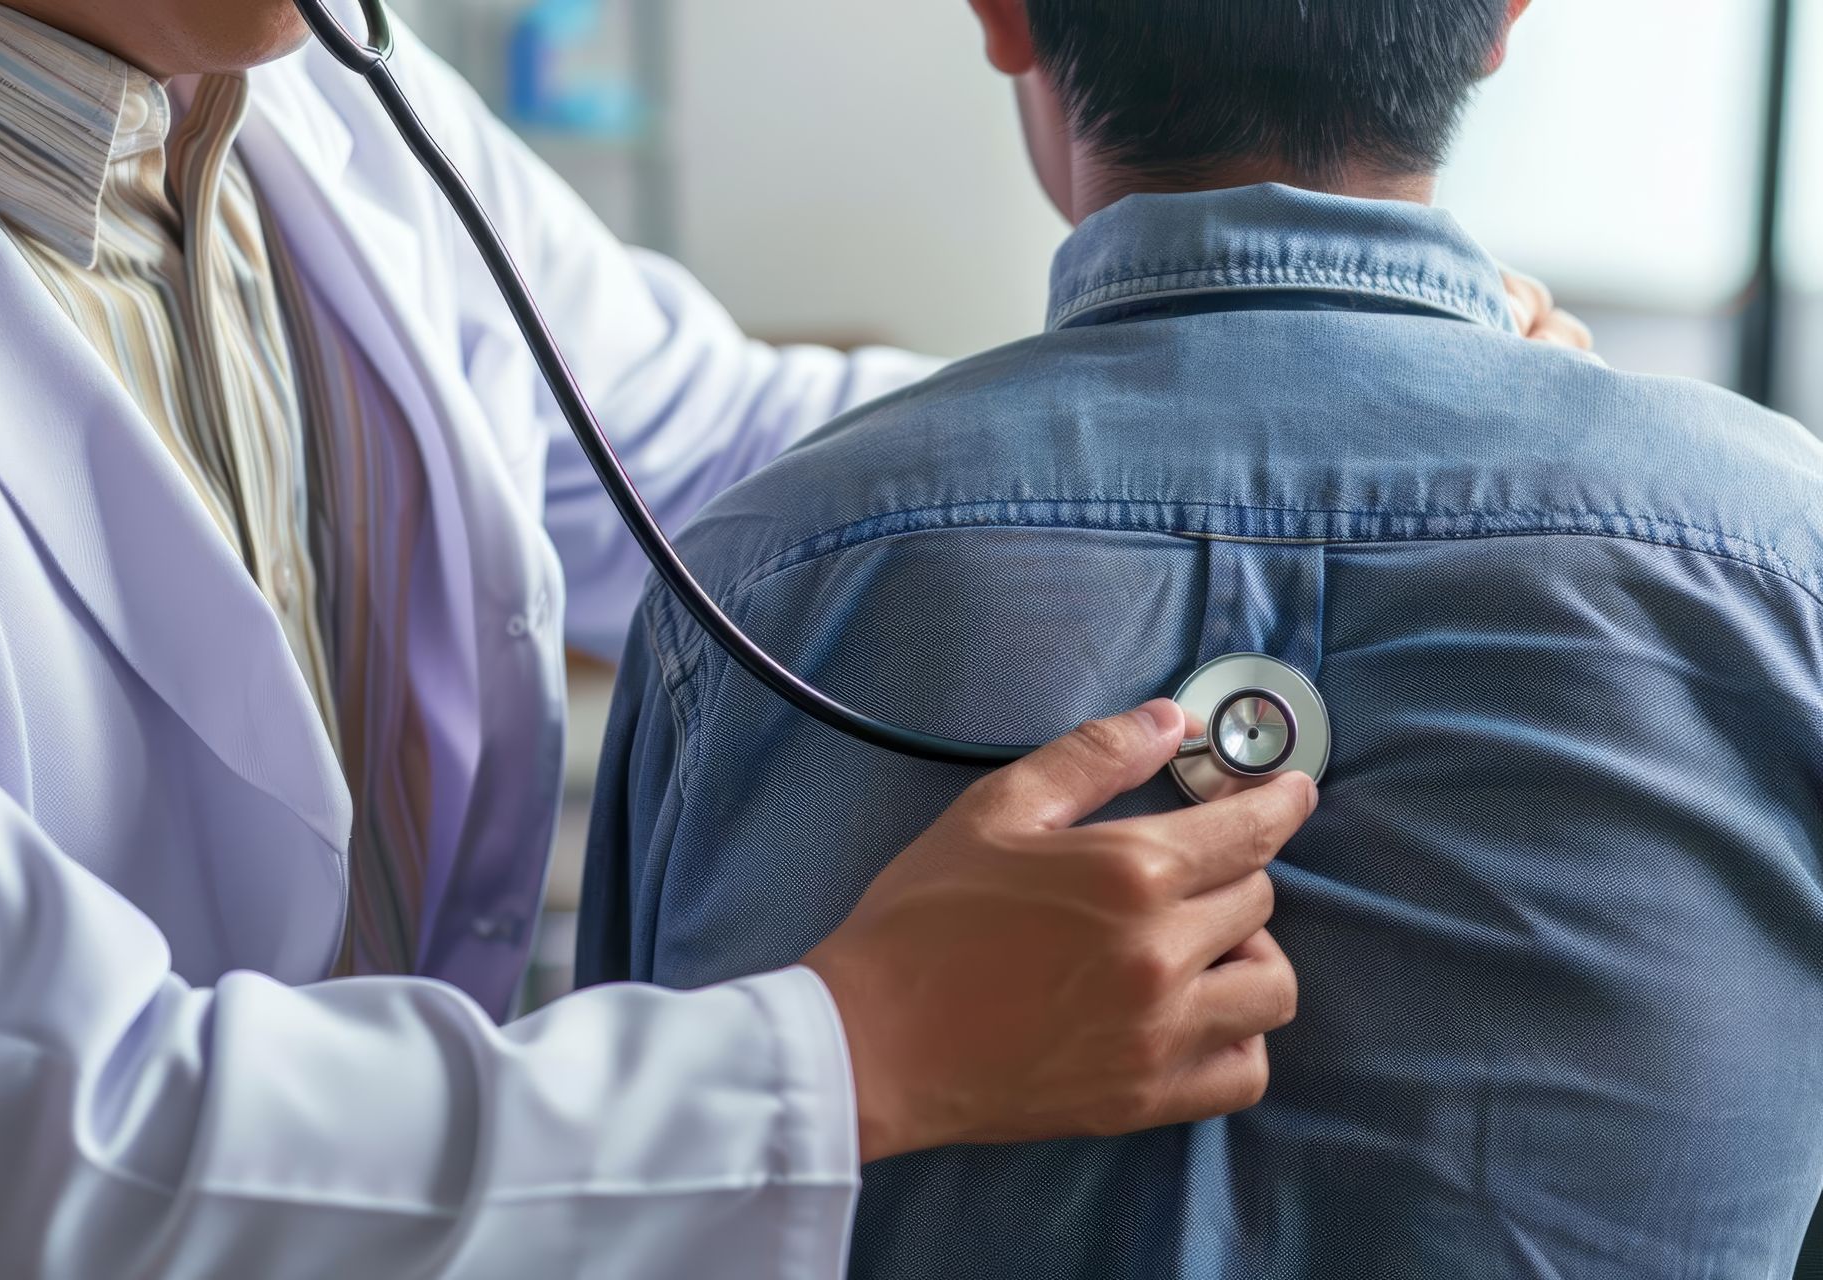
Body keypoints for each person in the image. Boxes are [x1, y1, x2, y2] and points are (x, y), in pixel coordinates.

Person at [0, 0, 1348, 1273]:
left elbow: (736, 460)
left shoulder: (331, 95)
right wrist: (866, 1048)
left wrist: (1320, 399)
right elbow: (37, 1135)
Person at [577, 0, 1823, 1275]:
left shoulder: (747, 582)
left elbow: (621, 1215)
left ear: (1004, 17)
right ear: (1503, 19)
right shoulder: (1785, 557)